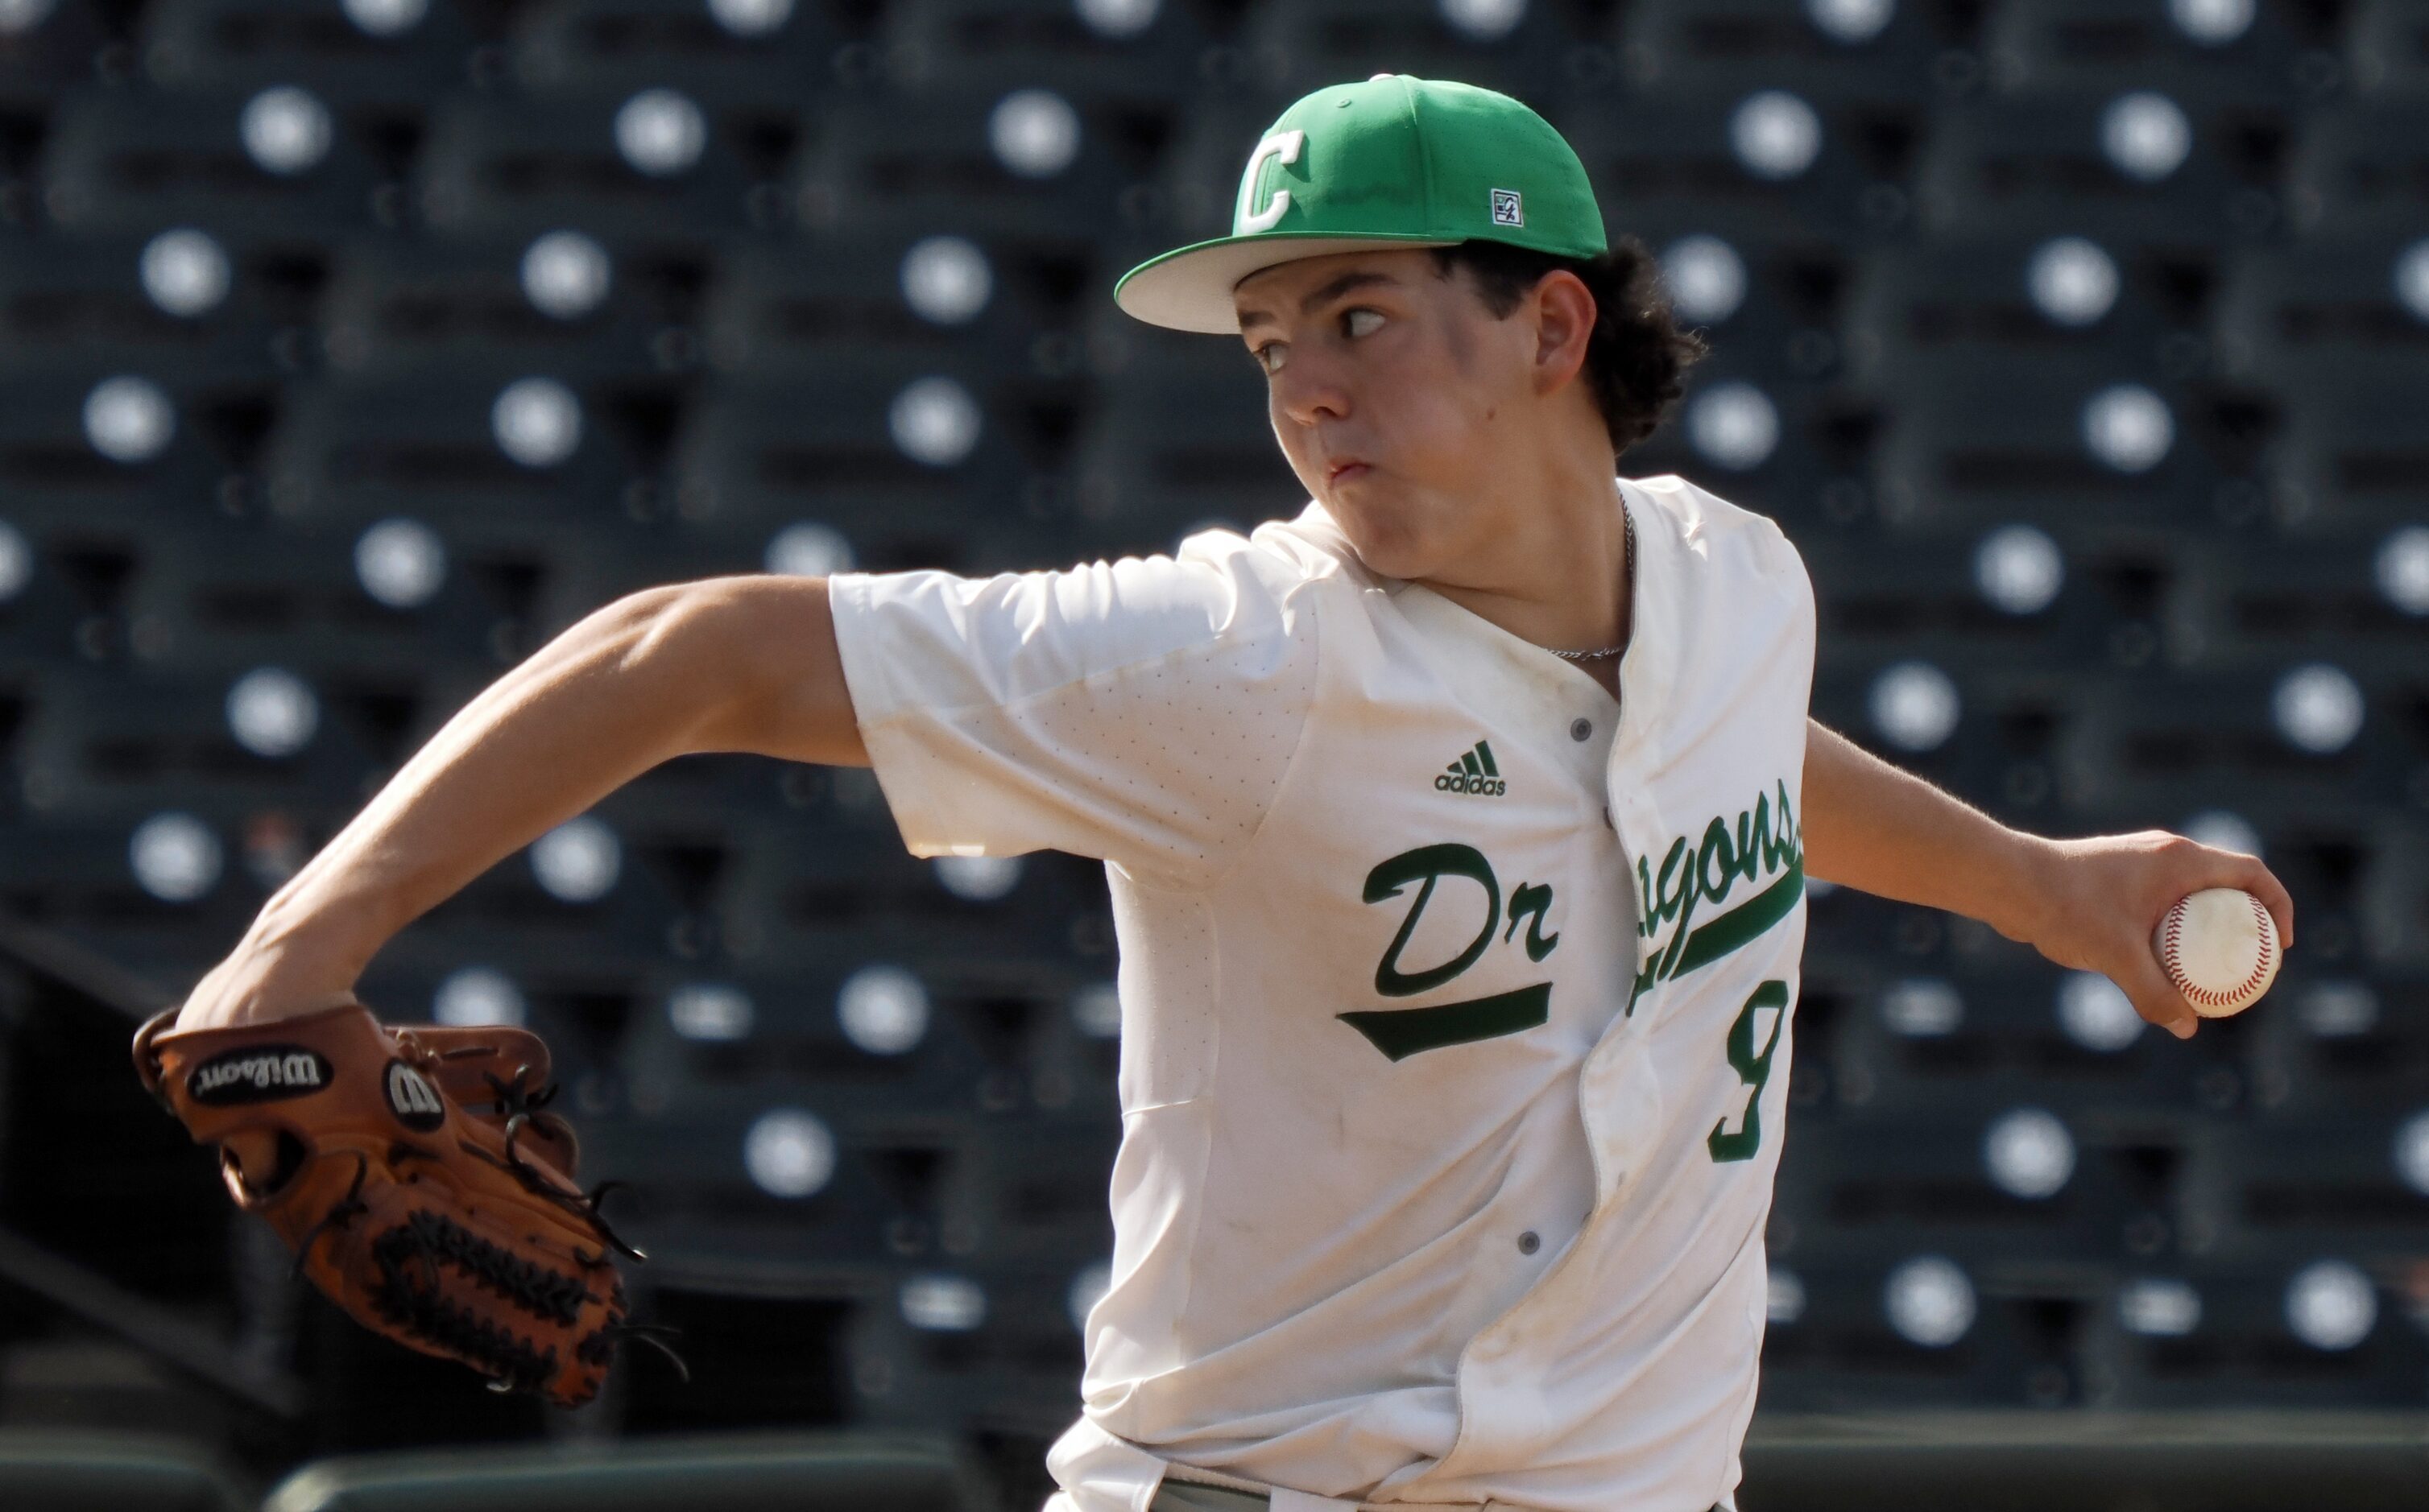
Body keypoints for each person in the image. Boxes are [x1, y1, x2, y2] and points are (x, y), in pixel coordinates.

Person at [168, 75, 2294, 1512]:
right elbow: (692, 649)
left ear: (1550, 324)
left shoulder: (1739, 583)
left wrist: (2043, 886)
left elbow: (1730, 760)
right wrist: (297, 950)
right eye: (1271, 340)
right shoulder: (1234, 661)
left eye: (1357, 315)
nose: (1302, 389)